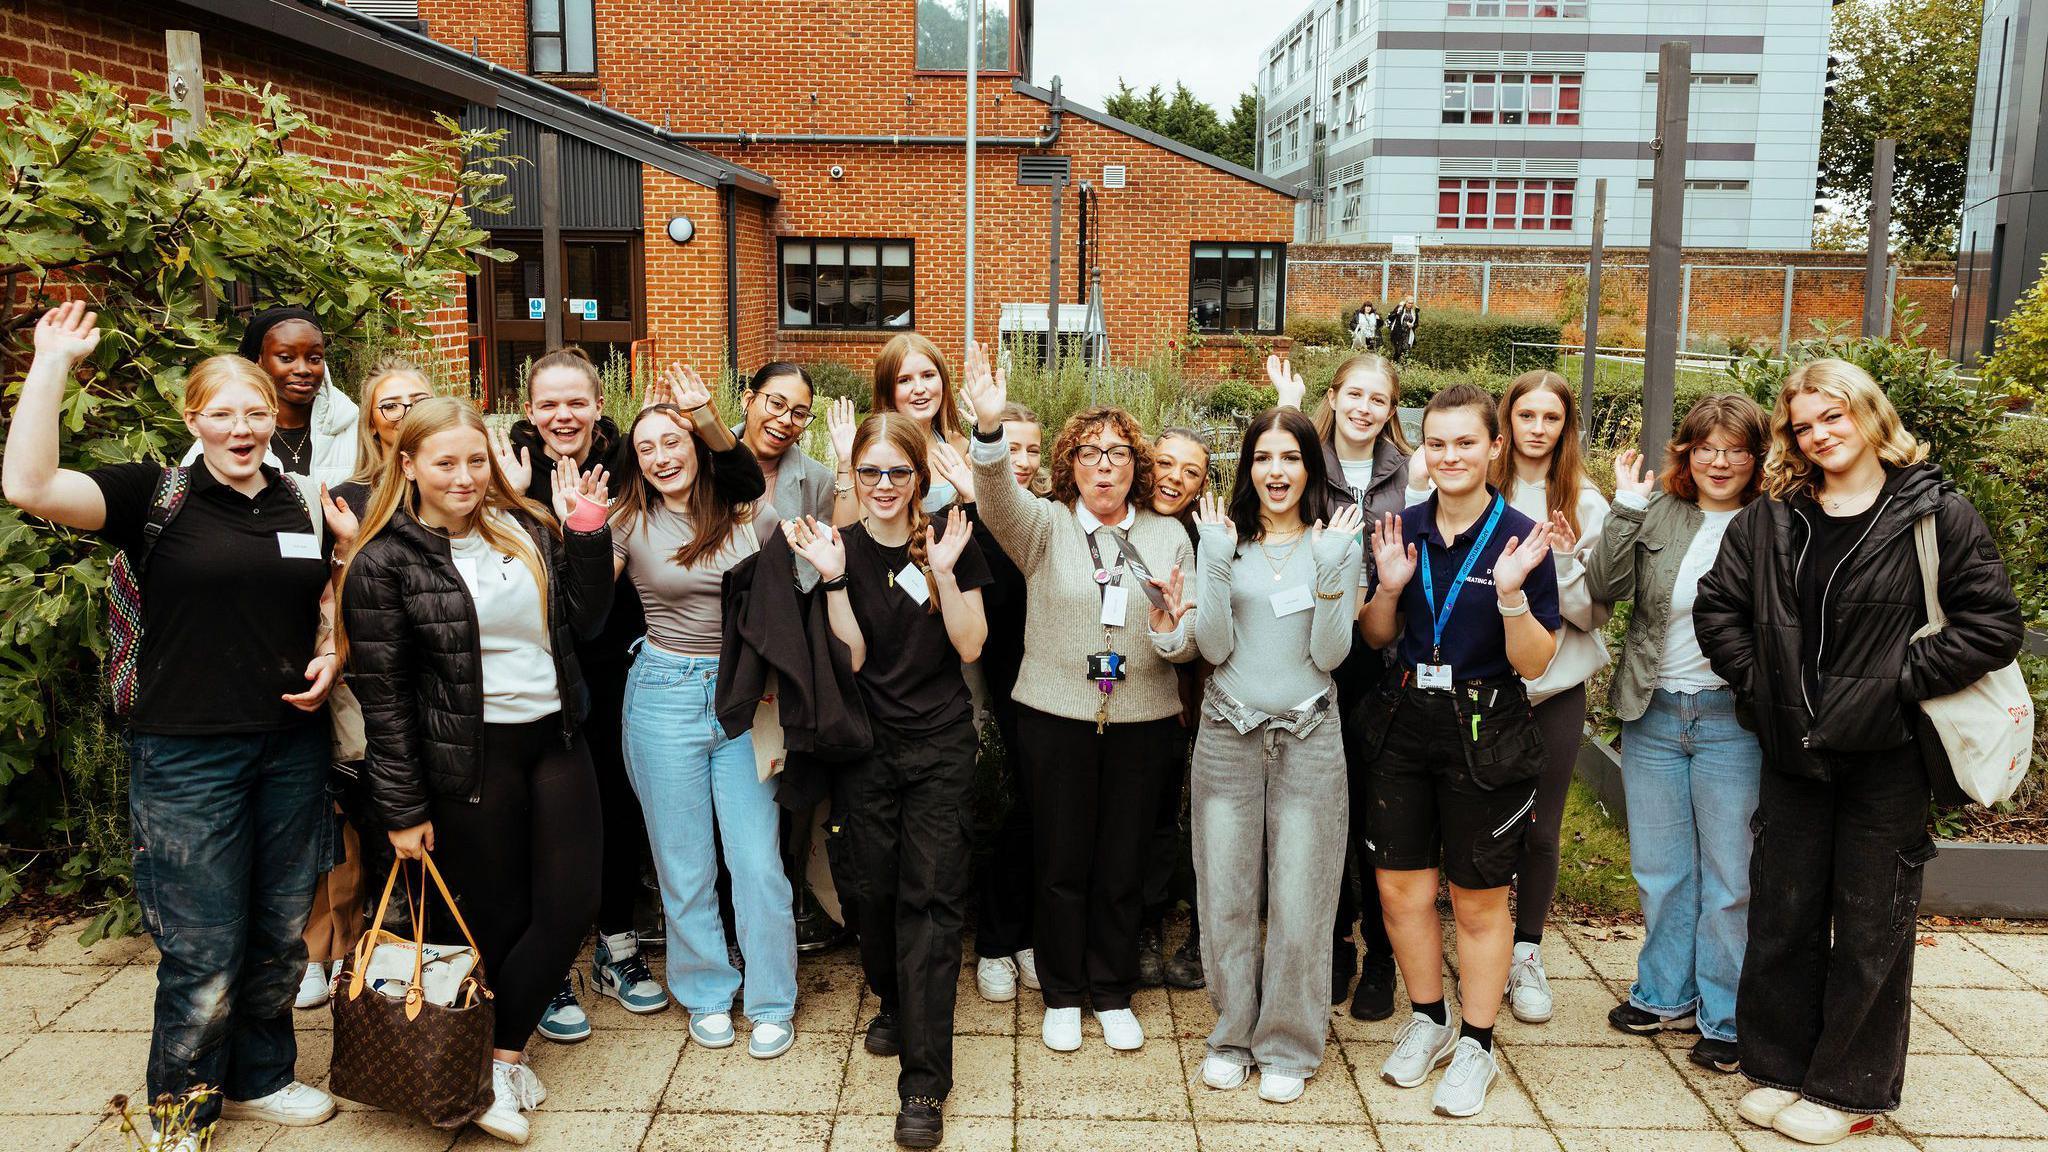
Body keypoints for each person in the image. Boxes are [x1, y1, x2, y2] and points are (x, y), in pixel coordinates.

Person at [4, 305, 345, 1143]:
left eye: (256, 412)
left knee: (275, 933)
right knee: (201, 941)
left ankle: (262, 1078)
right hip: (186, 754)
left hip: (290, 748)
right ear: (192, 419)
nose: (242, 428)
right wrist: (52, 364)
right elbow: (30, 487)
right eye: (223, 413)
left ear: (276, 418)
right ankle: (182, 1099)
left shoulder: (301, 498)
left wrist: (333, 648)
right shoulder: (151, 493)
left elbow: (327, 595)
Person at [1695, 360, 2023, 1146]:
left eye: (1833, 417)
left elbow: (1990, 625)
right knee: (1785, 915)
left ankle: (1850, 1089)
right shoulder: (1771, 519)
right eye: (1804, 425)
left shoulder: (1936, 514)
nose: (1820, 435)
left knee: (1872, 926)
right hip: (1793, 753)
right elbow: (1719, 610)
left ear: (1872, 415)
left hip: (1888, 757)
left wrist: (1891, 685)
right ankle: (1780, 1069)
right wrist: (1763, 683)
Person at [342, 396, 613, 1145]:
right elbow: (385, 698)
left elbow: (586, 624)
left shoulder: (523, 526)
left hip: (554, 737)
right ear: (408, 467)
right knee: (497, 916)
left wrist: (587, 529)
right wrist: (399, 810)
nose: (464, 476)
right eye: (445, 462)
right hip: (468, 759)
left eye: (475, 460)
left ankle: (496, 1054)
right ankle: (491, 1061)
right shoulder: (383, 561)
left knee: (571, 901)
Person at [957, 344, 1199, 1056]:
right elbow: (994, 493)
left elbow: (1185, 642)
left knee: (1122, 862)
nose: (1103, 464)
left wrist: (1169, 634)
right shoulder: (1044, 525)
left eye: (1119, 453)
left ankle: (1111, 990)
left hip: (1144, 719)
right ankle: (1062, 993)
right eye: (1090, 452)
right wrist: (991, 426)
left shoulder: (1168, 535)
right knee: (1061, 862)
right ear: (1070, 466)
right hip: (1055, 715)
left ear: (1137, 467)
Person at [786, 413, 992, 1149]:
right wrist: (837, 580)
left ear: (919, 477)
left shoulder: (950, 538)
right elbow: (854, 660)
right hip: (867, 750)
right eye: (867, 471)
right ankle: (896, 1000)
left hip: (937, 744)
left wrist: (941, 569)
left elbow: (970, 643)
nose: (881, 485)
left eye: (896, 472)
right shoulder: (836, 544)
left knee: (930, 904)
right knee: (873, 895)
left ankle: (924, 1084)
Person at [1356, 383, 1561, 1118]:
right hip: (1406, 719)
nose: (1450, 456)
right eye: (1435, 443)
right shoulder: (1399, 527)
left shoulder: (1521, 536)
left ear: (1494, 447)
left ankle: (1477, 1041)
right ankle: (1430, 1020)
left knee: (1477, 900)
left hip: (1487, 726)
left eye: (1465, 442)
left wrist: (1510, 595)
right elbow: (1379, 637)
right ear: (1422, 450)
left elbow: (1536, 662)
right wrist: (1387, 591)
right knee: (1398, 890)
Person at [611, 366, 798, 1059]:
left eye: (674, 441)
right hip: (661, 693)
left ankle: (772, 998)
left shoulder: (749, 510)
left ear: (697, 446)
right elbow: (582, 600)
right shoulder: (629, 521)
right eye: (647, 447)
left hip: (744, 698)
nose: (662, 457)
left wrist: (707, 414)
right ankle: (708, 992)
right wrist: (577, 525)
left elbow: (787, 596)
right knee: (683, 863)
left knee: (756, 861)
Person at [1582, 393, 1769, 1076]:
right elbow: (1604, 586)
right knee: (1661, 870)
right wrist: (1625, 508)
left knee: (1730, 878)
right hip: (1655, 710)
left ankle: (1725, 1017)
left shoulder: (1774, 521)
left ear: (1758, 456)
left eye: (1736, 448)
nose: (1721, 461)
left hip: (1733, 720)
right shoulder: (1660, 508)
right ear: (1686, 451)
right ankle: (1665, 994)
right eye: (1706, 447)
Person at [1189, 409, 1364, 1105]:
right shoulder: (1225, 540)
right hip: (1227, 733)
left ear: (1310, 468)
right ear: (1248, 467)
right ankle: (1232, 1032)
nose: (1277, 471)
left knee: (1301, 899)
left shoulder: (1337, 543)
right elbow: (1211, 648)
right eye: (1263, 457)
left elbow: (1329, 655)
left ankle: (1289, 1043)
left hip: (1309, 736)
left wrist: (1328, 572)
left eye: (1291, 457)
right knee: (1227, 895)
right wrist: (1209, 558)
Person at [500, 347, 659, 1040]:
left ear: (598, 404)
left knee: (619, 805)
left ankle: (616, 945)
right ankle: (550, 964)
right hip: (533, 672)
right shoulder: (507, 469)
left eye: (576, 401)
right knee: (541, 819)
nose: (563, 414)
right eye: (548, 403)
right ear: (530, 411)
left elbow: (733, 480)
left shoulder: (632, 462)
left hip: (616, 662)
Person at [1271, 351, 1420, 1021]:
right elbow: (1270, 495)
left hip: (1385, 656)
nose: (1363, 408)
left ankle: (1382, 956)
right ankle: (1333, 937)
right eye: (1353, 394)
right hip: (1314, 648)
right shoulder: (1308, 457)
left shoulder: (1408, 472)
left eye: (1378, 400)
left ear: (1392, 410)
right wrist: (1289, 406)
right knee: (1321, 802)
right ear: (1335, 396)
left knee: (1378, 811)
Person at [296, 357, 435, 1011]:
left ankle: (440, 966)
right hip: (375, 691)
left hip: (451, 691)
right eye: (391, 405)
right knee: (383, 836)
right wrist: (350, 548)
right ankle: (386, 981)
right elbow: (332, 608)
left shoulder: (460, 484)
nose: (406, 414)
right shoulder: (349, 498)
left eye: (419, 400)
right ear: (374, 424)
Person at [1487, 370, 1611, 1024]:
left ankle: (1527, 953)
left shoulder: (1586, 505)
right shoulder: (1477, 487)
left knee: (1540, 829)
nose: (1537, 429)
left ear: (1566, 427)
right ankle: (1480, 942)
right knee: (1475, 824)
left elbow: (1592, 615)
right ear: (1506, 421)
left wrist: (1565, 563)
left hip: (1555, 688)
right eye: (1526, 415)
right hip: (1484, 685)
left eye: (1550, 418)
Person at [734, 360, 849, 953]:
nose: (784, 420)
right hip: (715, 638)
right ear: (749, 399)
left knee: (779, 772)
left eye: (798, 411)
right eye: (774, 403)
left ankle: (790, 895)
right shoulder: (706, 458)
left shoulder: (819, 480)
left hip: (785, 644)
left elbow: (827, 557)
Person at [973, 401, 1050, 1004]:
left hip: (1051, 684)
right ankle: (995, 940)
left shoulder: (1051, 515)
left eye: (1031, 450)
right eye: (1012, 448)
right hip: (993, 682)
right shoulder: (970, 514)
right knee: (1009, 807)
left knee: (1037, 810)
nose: (1021, 461)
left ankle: (1025, 934)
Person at [1136, 427, 1212, 992]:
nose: (1174, 479)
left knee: (1199, 818)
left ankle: (1201, 933)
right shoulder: (1122, 519)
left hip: (1189, 694)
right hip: (1128, 689)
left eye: (1190, 472)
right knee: (1151, 813)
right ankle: (1144, 925)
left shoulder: (1205, 536)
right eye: (1165, 463)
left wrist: (1192, 695)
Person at [180, 307, 359, 484]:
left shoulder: (354, 426)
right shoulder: (222, 437)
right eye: (286, 358)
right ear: (257, 362)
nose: (303, 369)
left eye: (314, 358)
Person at [838, 332, 972, 514]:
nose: (919, 389)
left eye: (928, 375)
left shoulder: (959, 445)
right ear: (887, 391)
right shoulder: (870, 450)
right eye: (904, 380)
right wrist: (846, 462)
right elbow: (847, 534)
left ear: (943, 382)